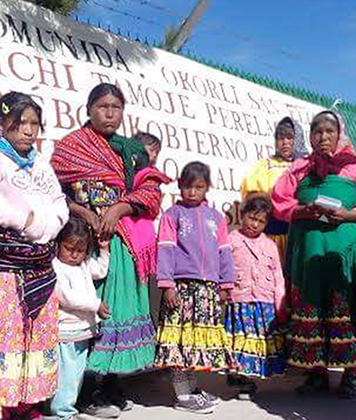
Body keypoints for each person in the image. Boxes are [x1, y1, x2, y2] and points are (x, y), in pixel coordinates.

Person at [50, 83, 170, 415]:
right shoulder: (69, 148)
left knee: (118, 312)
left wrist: (119, 209)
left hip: (122, 242)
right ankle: (86, 392)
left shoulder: (133, 150)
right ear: (88, 109)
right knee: (87, 314)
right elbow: (56, 193)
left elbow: (150, 193)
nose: (109, 113)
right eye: (102, 106)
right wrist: (86, 213)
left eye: (116, 107)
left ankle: (113, 384)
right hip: (83, 243)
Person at [272, 110, 356, 398]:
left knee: (349, 306)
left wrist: (348, 215)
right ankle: (316, 374)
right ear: (310, 136)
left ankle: (350, 374)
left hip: (346, 253)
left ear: (339, 134)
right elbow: (280, 201)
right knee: (314, 306)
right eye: (317, 132)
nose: (323, 137)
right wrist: (303, 210)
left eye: (328, 131)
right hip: (310, 252)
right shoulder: (299, 169)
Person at [0, 92, 69, 419]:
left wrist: (49, 225)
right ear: (1, 124)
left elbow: (59, 203)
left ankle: (28, 405)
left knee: (36, 335)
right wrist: (25, 220)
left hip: (40, 267)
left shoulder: (40, 163)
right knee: (6, 335)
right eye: (19, 123)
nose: (27, 130)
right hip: (6, 272)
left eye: (34, 124)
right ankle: (2, 406)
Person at [154, 161, 236, 414]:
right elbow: (166, 250)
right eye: (187, 187)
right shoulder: (172, 216)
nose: (192, 192)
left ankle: (191, 388)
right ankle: (183, 396)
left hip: (206, 291)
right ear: (180, 186)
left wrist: (226, 284)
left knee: (195, 343)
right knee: (179, 342)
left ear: (207, 188)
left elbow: (225, 253)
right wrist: (167, 285)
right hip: (181, 288)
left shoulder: (216, 218)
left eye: (198, 187)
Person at [224, 195, 287, 400]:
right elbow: (223, 268)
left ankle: (248, 377)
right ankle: (242, 379)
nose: (254, 224)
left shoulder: (270, 245)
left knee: (258, 343)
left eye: (260, 221)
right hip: (240, 301)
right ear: (242, 216)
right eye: (252, 218)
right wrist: (223, 290)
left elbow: (278, 275)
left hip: (264, 302)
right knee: (241, 341)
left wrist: (280, 304)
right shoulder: (231, 240)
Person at [49, 217, 112, 420]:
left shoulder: (83, 265)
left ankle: (67, 408)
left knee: (76, 374)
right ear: (58, 244)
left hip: (82, 330)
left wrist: (103, 250)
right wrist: (95, 305)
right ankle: (62, 412)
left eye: (80, 250)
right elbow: (66, 297)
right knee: (66, 375)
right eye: (69, 248)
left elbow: (101, 270)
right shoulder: (57, 267)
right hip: (66, 331)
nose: (75, 255)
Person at [240, 116, 304, 263]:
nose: (285, 142)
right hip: (271, 232)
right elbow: (251, 194)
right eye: (280, 138)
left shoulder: (303, 166)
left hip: (297, 232)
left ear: (298, 139)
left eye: (289, 137)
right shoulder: (265, 165)